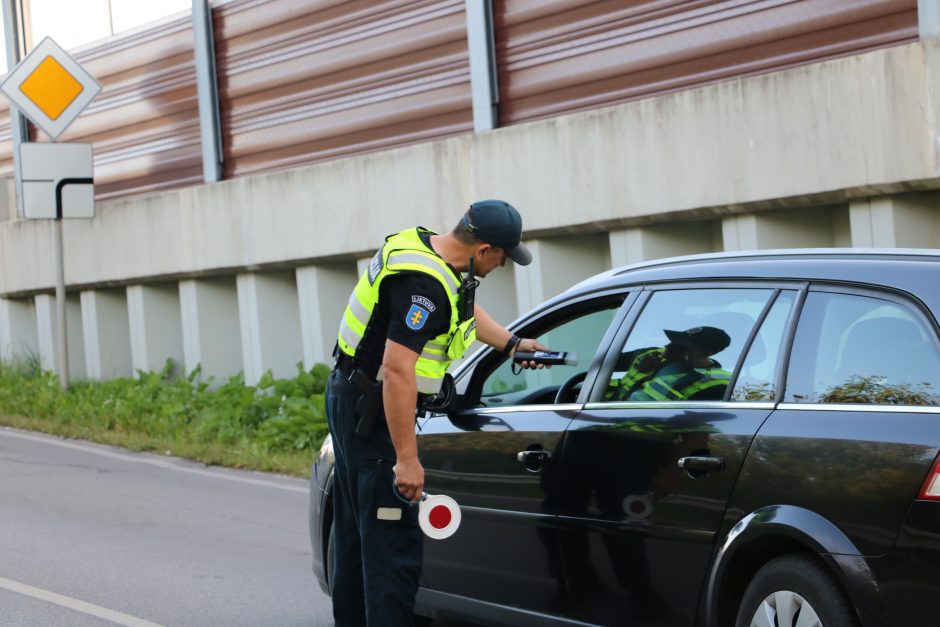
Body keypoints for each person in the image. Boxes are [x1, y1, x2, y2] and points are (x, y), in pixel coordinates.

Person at [326, 199, 547, 626]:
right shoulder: (423, 289)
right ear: (483, 250)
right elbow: (396, 370)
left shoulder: (423, 247)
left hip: (349, 395)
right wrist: (406, 459)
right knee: (391, 551)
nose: (503, 265)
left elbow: (460, 303)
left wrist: (511, 343)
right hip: (374, 414)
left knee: (356, 541)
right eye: (503, 257)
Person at [628, 326, 732, 401]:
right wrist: (642, 371)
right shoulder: (654, 357)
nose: (667, 346)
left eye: (679, 345)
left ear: (706, 353)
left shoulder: (717, 385)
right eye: (673, 341)